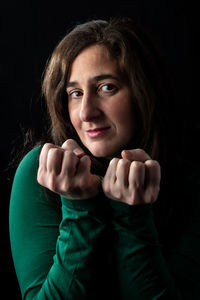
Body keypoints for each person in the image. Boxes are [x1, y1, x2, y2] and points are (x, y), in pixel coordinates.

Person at [9, 18, 200, 300]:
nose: (86, 112)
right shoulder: (41, 172)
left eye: (106, 87)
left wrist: (132, 215)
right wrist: (78, 209)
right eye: (75, 93)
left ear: (142, 92)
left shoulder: (191, 183)